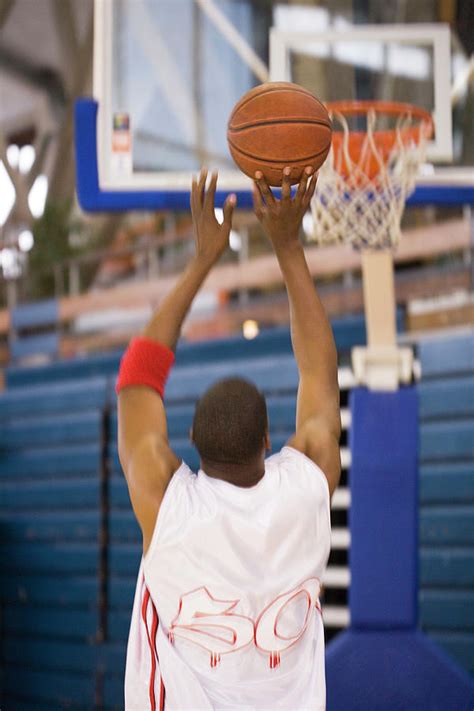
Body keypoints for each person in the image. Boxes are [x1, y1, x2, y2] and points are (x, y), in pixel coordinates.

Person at [117, 166, 341, 710]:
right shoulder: (307, 486)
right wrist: (288, 247)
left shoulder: (165, 506)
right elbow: (320, 374)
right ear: (269, 439)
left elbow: (136, 378)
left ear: (190, 440)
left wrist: (201, 262)